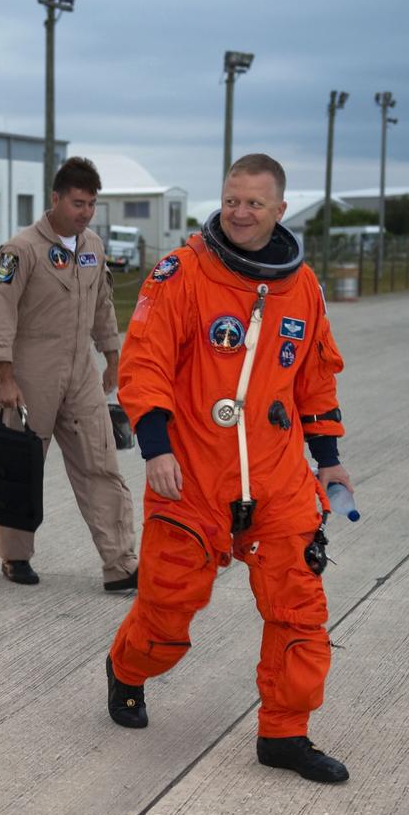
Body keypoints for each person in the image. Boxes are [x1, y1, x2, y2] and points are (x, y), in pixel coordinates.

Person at [104, 153, 354, 783]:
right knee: (167, 612)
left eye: (254, 203)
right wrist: (156, 447)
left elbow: (316, 383)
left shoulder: (304, 288)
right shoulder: (181, 273)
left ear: (280, 209)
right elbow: (144, 364)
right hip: (191, 477)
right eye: (231, 199)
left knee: (300, 610)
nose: (239, 213)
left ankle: (285, 734)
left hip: (276, 480)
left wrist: (329, 462)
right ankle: (127, 668)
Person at [0, 156, 139, 592]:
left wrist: (111, 354)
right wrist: (5, 377)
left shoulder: (92, 247)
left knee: (100, 461)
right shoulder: (21, 249)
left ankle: (120, 563)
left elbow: (103, 304)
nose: (84, 212)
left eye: (90, 204)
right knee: (23, 466)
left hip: (82, 371)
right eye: (77, 203)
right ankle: (15, 556)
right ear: (56, 199)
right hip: (33, 371)